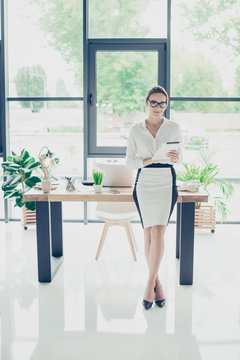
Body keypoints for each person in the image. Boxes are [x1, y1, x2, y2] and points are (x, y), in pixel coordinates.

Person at [125, 85, 182, 310]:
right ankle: (157, 282)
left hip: (166, 181)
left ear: (166, 105)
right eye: (154, 102)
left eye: (163, 103)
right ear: (146, 103)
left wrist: (176, 157)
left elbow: (178, 158)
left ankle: (149, 284)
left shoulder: (174, 127)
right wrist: (148, 160)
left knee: (158, 231)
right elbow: (130, 161)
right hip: (145, 182)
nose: (159, 107)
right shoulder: (135, 129)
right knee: (148, 232)